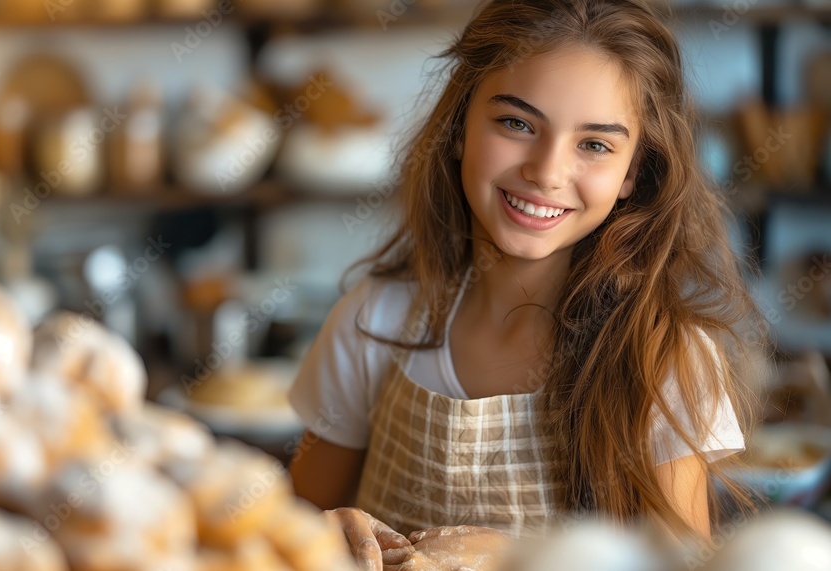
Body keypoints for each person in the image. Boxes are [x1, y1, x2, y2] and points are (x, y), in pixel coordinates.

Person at [287, 0, 768, 569]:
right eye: (516, 123)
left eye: (594, 144)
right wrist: (316, 533)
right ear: (460, 126)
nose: (545, 171)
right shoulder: (372, 322)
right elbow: (276, 541)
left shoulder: (667, 360)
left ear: (632, 173)